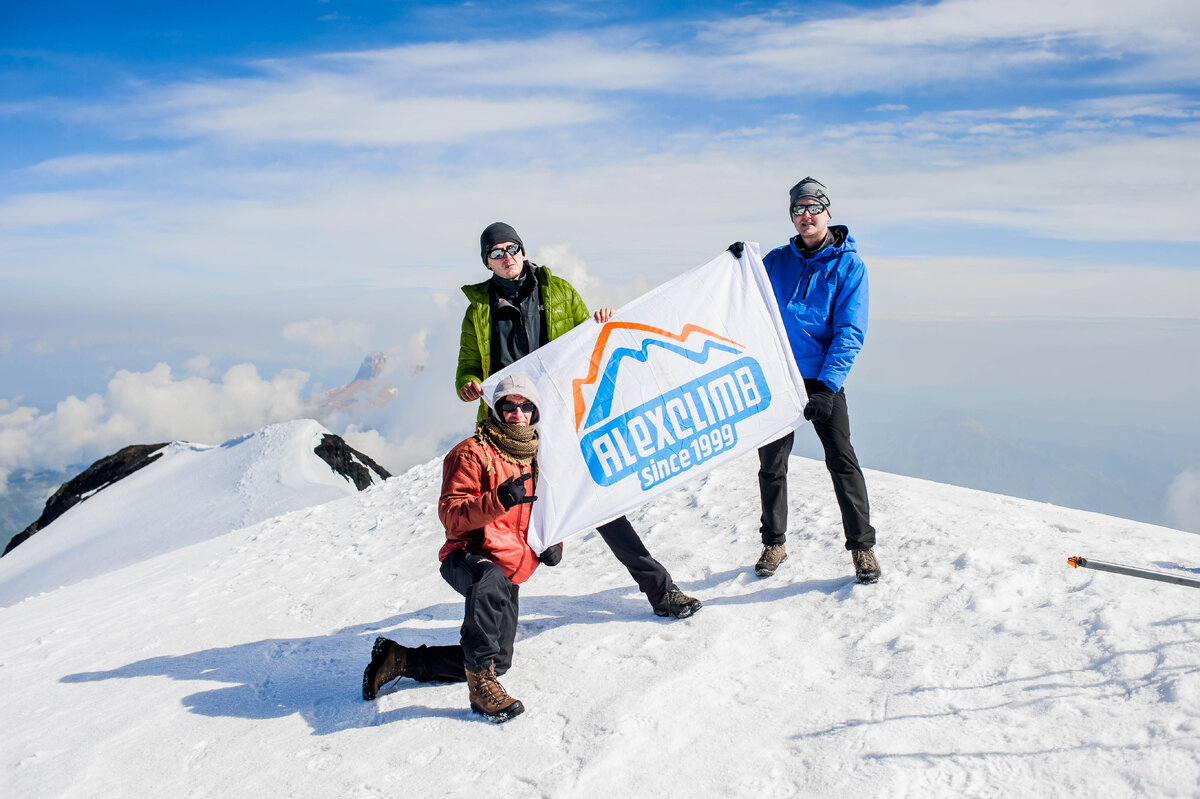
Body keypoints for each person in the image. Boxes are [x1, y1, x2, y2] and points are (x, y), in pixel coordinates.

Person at [455, 221, 702, 619]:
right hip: (508, 428)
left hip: (563, 416)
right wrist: (468, 384)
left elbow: (587, 343)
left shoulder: (558, 292)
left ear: (522, 249)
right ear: (487, 262)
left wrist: (600, 320)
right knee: (504, 517)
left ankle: (661, 591)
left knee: (601, 502)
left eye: (511, 248)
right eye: (496, 253)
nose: (507, 258)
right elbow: (467, 366)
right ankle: (499, 619)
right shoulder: (478, 312)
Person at [362, 375, 560, 723]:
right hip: (466, 553)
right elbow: (452, 516)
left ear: (535, 413)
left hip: (509, 563)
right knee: (489, 579)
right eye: (509, 406)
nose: (517, 413)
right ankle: (481, 689)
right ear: (496, 410)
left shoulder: (536, 457)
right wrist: (497, 500)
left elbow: (544, 511)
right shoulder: (471, 452)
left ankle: (400, 659)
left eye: (526, 406)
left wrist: (552, 543)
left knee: (501, 658)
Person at [729, 177, 881, 584]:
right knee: (772, 465)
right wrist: (734, 264)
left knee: (842, 461)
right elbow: (741, 293)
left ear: (828, 212)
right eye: (798, 210)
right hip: (777, 375)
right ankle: (773, 542)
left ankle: (862, 549)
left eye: (813, 207)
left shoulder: (848, 266)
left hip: (820, 380)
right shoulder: (777, 261)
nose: (806, 216)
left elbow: (850, 331)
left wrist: (828, 387)